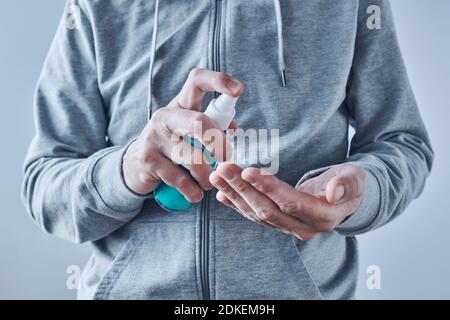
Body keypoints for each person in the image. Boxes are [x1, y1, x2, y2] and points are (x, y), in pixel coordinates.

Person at [22, 0, 433, 299]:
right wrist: (127, 170)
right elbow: (44, 184)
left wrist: (359, 192)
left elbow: (402, 143)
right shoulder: (97, 7)